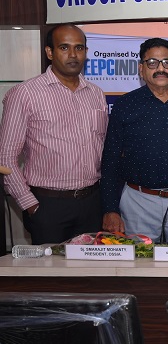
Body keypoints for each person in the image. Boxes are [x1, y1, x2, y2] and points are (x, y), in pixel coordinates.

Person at [0, 23, 107, 244]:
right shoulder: (24, 94)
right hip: (48, 206)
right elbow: (6, 158)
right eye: (64, 47)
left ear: (86, 52)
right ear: (49, 52)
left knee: (91, 267)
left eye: (79, 48)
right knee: (51, 267)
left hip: (92, 204)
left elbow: (104, 147)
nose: (73, 54)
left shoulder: (96, 94)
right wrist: (30, 204)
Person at [100, 37, 168, 243]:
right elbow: (110, 160)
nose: (160, 69)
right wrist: (110, 208)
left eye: (167, 62)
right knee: (139, 260)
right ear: (141, 69)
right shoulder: (125, 105)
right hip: (138, 202)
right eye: (152, 63)